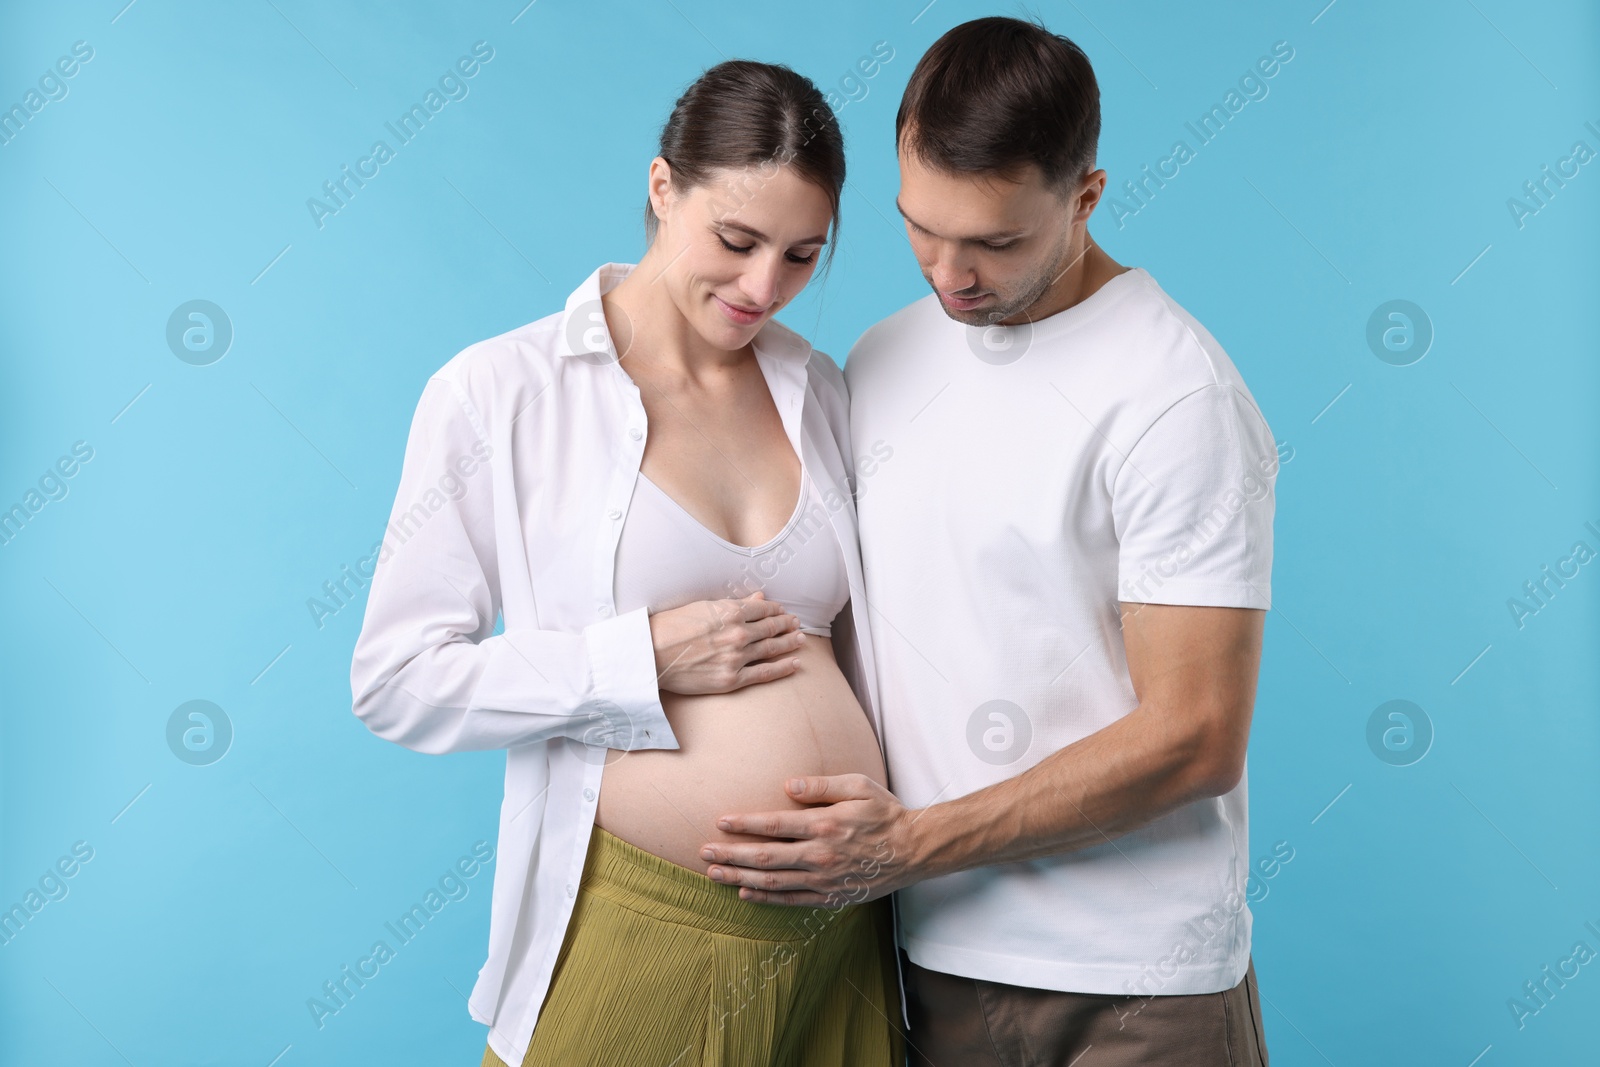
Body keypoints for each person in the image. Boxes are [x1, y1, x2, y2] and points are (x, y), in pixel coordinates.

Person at [696, 17, 1278, 1065]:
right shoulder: (881, 358)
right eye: (921, 227)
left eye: (996, 242)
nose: (950, 273)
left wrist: (909, 843)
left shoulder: (1172, 392)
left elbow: (1196, 731)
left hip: (1135, 983)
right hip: (931, 962)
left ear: (1086, 196)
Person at [348, 60, 905, 1067]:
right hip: (652, 917)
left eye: (800, 255)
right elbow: (396, 681)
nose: (762, 287)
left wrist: (897, 820)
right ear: (661, 189)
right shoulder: (500, 391)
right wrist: (636, 657)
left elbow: (871, 649)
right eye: (734, 241)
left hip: (844, 935)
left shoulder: (818, 389)